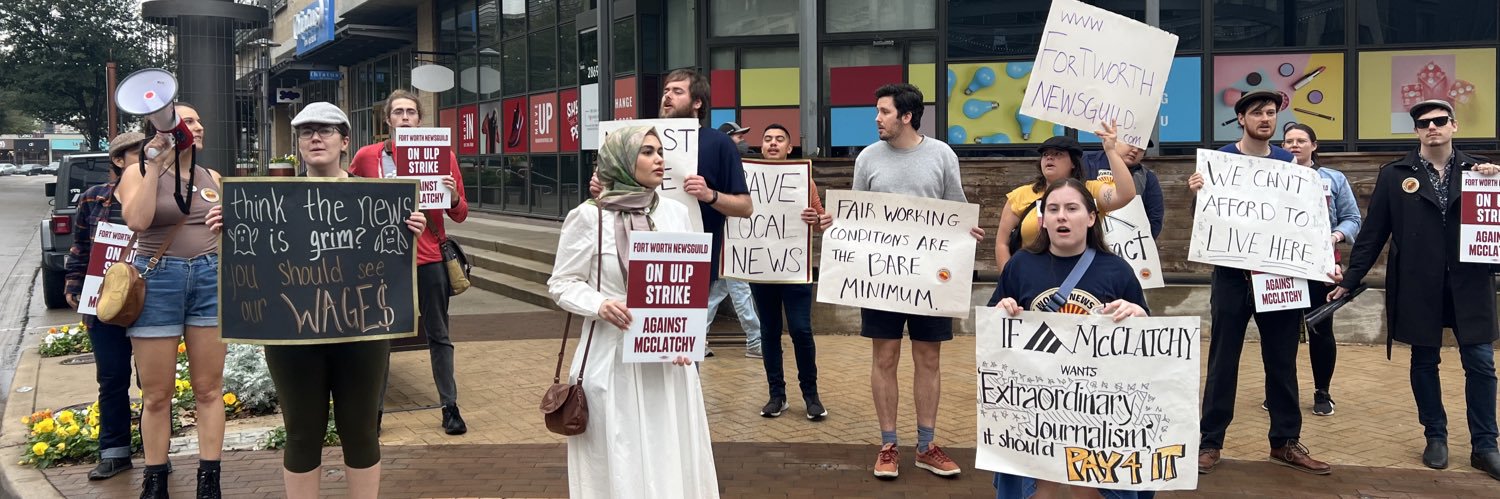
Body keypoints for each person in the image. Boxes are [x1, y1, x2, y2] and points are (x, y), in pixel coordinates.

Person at [208, 102, 426, 498]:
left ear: (345, 142)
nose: (315, 137)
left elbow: (396, 253)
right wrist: (227, 225)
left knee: (360, 430)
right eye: (307, 131)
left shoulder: (381, 199)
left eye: (325, 130)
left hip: (362, 331)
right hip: (292, 334)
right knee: (302, 431)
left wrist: (413, 226)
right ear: (298, 144)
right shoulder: (266, 202)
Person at [548, 125, 719, 498]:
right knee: (620, 453)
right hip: (611, 361)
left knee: (667, 449)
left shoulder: (675, 213)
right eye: (646, 151)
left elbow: (687, 284)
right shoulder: (588, 217)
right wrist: (599, 304)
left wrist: (684, 335)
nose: (659, 159)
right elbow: (561, 283)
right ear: (622, 161)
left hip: (667, 363)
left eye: (660, 151)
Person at [1334, 99, 1500, 478]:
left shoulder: (1481, 171)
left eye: (1440, 121)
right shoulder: (1395, 174)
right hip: (1418, 283)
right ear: (1416, 131)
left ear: (1454, 126)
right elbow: (1373, 233)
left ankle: (1485, 445)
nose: (1432, 128)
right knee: (1425, 361)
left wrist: (1498, 182)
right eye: (1424, 123)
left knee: (1481, 363)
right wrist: (1350, 280)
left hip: (1469, 283)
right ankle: (1435, 436)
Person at [1188, 90, 1332, 476]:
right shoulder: (1221, 161)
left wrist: (1324, 263)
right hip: (1233, 278)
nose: (1265, 118)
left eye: (1271, 112)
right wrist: (1198, 193)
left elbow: (1310, 225)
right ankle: (1210, 442)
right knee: (1223, 361)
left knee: (1283, 361)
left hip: (1280, 277)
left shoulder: (1292, 164)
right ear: (1240, 118)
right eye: (1257, 113)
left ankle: (1284, 442)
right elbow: (1205, 221)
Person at [988, 178, 1151, 499]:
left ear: (1091, 217)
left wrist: (1138, 314)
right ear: (1042, 219)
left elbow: (1149, 342)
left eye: (1072, 208)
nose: (1062, 216)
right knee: (1038, 491)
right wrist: (1001, 311)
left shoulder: (1117, 270)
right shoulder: (1020, 265)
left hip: (1098, 407)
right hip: (1033, 405)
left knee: (1089, 490)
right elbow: (993, 331)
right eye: (1053, 209)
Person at [855, 83, 983, 479]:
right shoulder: (867, 158)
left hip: (931, 278)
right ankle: (888, 444)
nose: (877, 118)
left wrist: (968, 230)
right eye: (878, 111)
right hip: (882, 278)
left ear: (906, 116)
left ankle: (927, 445)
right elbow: (857, 213)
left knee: (929, 358)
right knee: (885, 357)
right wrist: (835, 226)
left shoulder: (942, 154)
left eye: (884, 111)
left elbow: (956, 208)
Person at [590, 69, 753, 359]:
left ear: (697, 102)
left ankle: (684, 403)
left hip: (688, 263)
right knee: (630, 344)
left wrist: (710, 195)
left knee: (679, 353)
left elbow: (745, 207)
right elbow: (614, 195)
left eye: (677, 91)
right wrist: (602, 190)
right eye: (666, 90)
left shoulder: (719, 144)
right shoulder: (635, 141)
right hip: (629, 257)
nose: (668, 96)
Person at [116, 102, 226, 498]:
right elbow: (138, 220)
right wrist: (154, 167)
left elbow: (229, 232)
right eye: (187, 121)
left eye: (199, 120)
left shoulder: (211, 176)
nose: (197, 126)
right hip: (158, 280)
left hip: (209, 278)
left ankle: (209, 480)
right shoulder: (135, 172)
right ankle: (155, 478)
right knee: (158, 393)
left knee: (209, 389)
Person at [349, 89, 472, 435]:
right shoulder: (366, 157)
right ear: (387, 120)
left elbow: (460, 214)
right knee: (380, 337)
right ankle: (373, 412)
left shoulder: (443, 157)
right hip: (381, 261)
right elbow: (347, 201)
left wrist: (451, 193)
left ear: (420, 119)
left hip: (429, 257)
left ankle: (450, 407)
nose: (405, 117)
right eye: (398, 112)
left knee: (439, 335)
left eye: (411, 112)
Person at [63, 132, 145, 481]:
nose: (146, 159)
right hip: (104, 302)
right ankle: (115, 453)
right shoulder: (93, 198)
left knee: (154, 384)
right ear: (118, 160)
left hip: (151, 300)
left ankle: (158, 452)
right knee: (112, 378)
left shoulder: (161, 195)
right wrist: (74, 285)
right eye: (138, 154)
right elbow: (80, 245)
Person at [1276, 124, 1361, 417]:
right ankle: (1278, 391)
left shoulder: (1333, 179)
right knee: (1280, 332)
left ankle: (1322, 391)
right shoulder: (1268, 178)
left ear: (1314, 145)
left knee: (1321, 329)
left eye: (1301, 141)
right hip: (1279, 265)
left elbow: (1352, 217)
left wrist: (1336, 236)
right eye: (1288, 141)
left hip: (1321, 266)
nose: (1294, 145)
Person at [752, 123, 830, 419]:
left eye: (779, 139)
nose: (773, 143)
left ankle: (811, 396)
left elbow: (821, 218)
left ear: (789, 148)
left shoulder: (803, 180)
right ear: (761, 147)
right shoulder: (749, 179)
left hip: (795, 268)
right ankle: (777, 395)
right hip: (761, 268)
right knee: (769, 332)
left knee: (801, 330)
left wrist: (815, 217)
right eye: (768, 138)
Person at [994, 129, 1137, 272]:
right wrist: (1008, 281)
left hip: (1083, 276)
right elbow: (1002, 243)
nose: (1050, 158)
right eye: (1045, 155)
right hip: (1031, 278)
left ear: (1073, 163)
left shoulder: (1090, 190)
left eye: (1058, 154)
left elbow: (1126, 194)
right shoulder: (1020, 195)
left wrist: (1111, 151)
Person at [702, 120, 763, 358]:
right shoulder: (722, 171)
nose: (742, 141)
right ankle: (756, 341)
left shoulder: (738, 168)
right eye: (737, 137)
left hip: (736, 244)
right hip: (727, 244)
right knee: (741, 292)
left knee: (716, 294)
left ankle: (698, 338)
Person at [1083, 138, 1163, 238]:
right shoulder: (1085, 162)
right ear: (1115, 140)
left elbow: (1155, 219)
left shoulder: (1147, 178)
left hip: (1128, 246)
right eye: (1131, 143)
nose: (1135, 150)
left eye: (1141, 147)